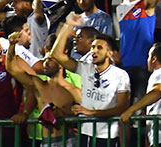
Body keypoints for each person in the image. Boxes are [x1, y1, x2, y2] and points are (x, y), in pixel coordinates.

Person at [50, 14, 131, 145]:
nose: (94, 50)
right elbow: (56, 55)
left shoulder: (120, 75)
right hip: (85, 133)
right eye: (93, 47)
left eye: (99, 48)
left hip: (107, 136)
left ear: (110, 53)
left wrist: (91, 113)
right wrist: (68, 25)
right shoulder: (85, 68)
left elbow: (121, 108)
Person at [122, 43, 161, 144]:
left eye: (148, 56)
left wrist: (131, 110)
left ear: (154, 59)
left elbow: (158, 91)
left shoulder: (160, 72)